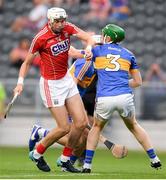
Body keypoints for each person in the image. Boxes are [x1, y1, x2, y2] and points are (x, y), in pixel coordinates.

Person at [28, 35, 128, 171]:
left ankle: (65, 162)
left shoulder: (97, 64)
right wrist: (72, 108)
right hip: (67, 97)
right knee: (76, 138)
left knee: (82, 140)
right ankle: (41, 133)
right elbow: (72, 84)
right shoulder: (85, 63)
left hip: (75, 98)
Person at [13, 7, 95, 173]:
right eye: (57, 21)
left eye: (62, 20)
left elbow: (89, 37)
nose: (61, 24)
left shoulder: (67, 28)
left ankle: (65, 160)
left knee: (80, 124)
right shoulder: (40, 38)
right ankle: (37, 153)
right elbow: (27, 62)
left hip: (66, 80)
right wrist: (20, 82)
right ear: (50, 21)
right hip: (51, 85)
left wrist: (88, 49)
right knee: (64, 127)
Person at [81, 24, 162, 173]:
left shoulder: (97, 50)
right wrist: (122, 83)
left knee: (96, 128)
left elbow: (86, 44)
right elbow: (138, 82)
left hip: (105, 97)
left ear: (109, 37)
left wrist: (91, 42)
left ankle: (87, 165)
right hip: (125, 96)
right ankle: (154, 159)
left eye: (104, 34)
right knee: (134, 126)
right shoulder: (129, 54)